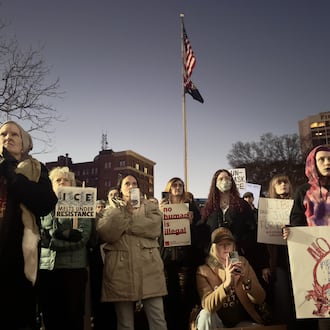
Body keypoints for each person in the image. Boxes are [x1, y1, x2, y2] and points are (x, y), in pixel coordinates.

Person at [0, 120, 57, 329]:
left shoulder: (36, 169)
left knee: (18, 315)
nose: (8, 138)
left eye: (14, 134)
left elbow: (45, 203)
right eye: (3, 134)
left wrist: (11, 173)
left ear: (24, 142)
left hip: (19, 256)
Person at [97, 174, 167, 330]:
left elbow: (154, 229)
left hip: (150, 269)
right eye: (127, 183)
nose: (131, 186)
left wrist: (127, 221)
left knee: (158, 319)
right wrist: (122, 213)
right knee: (125, 323)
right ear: (120, 189)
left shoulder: (150, 207)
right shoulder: (111, 210)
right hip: (120, 271)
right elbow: (107, 234)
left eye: (134, 183)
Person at [38, 166, 92, 330]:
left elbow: (83, 236)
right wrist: (62, 235)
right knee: (50, 315)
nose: (62, 182)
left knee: (72, 316)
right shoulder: (42, 205)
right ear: (51, 184)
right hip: (47, 269)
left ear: (72, 184)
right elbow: (38, 233)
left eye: (66, 180)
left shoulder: (80, 203)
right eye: (58, 180)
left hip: (73, 269)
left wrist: (52, 241)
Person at [284, 145, 330, 330]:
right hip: (314, 257)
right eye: (322, 159)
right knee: (321, 306)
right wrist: (291, 232)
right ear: (313, 163)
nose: (327, 162)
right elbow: (296, 220)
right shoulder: (303, 191)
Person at [202, 169, 270, 288]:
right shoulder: (209, 207)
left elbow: (253, 233)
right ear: (215, 183)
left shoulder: (242, 205)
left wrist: (263, 263)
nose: (225, 181)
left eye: (228, 178)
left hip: (240, 256)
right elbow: (202, 232)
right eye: (221, 179)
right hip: (216, 260)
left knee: (240, 289)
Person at [159, 177, 209, 330]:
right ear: (168, 188)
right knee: (169, 298)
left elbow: (200, 236)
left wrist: (192, 224)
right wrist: (159, 217)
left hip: (186, 260)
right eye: (175, 184)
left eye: (181, 185)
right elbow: (156, 234)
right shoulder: (161, 208)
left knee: (186, 298)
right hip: (167, 260)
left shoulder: (191, 208)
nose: (178, 187)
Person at [194, 227, 266, 329]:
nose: (225, 247)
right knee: (205, 315)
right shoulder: (204, 271)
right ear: (213, 248)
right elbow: (208, 305)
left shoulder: (243, 263)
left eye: (228, 244)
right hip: (218, 323)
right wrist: (226, 284)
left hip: (241, 322)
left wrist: (246, 281)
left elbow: (260, 299)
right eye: (220, 244)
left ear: (234, 246)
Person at [266, 174, 296, 328]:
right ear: (273, 187)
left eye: (285, 182)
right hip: (279, 259)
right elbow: (263, 239)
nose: (283, 185)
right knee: (283, 298)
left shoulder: (298, 205)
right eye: (279, 183)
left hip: (297, 257)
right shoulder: (267, 209)